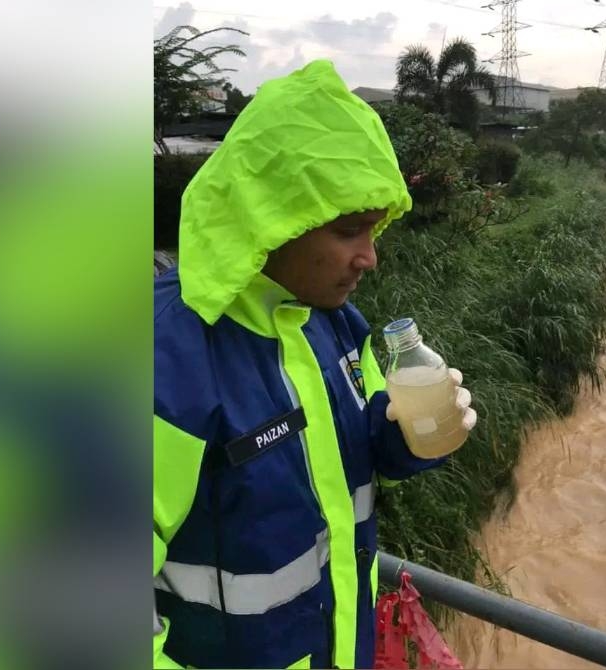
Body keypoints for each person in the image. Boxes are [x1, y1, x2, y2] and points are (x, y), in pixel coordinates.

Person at [153, 60, 477, 669]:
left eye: (375, 230)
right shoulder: (165, 356)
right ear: (271, 221)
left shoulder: (333, 321)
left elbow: (365, 443)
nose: (370, 258)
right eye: (350, 230)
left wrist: (411, 437)